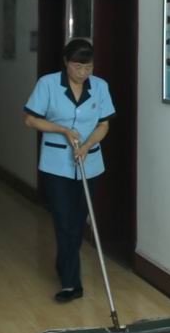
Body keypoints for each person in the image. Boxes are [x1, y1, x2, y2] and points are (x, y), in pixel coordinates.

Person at [23, 38, 115, 303]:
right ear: (66, 62)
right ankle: (71, 283)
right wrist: (62, 129)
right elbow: (30, 120)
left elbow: (104, 125)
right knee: (64, 220)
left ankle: (64, 264)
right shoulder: (48, 84)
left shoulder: (100, 87)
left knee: (77, 221)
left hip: (90, 163)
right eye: (77, 67)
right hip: (56, 165)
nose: (83, 73)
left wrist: (86, 145)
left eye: (88, 67)